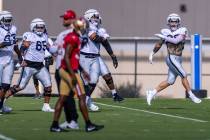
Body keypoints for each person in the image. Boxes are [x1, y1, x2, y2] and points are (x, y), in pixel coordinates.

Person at [50, 18, 104, 132]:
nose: (86, 28)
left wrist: (83, 71)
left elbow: (73, 58)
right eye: (85, 26)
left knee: (63, 98)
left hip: (65, 70)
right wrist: (74, 75)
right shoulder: (74, 37)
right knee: (82, 96)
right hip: (69, 72)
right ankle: (89, 125)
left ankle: (54, 125)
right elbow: (67, 57)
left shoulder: (75, 36)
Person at [146, 13, 202, 105]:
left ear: (178, 22)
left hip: (179, 58)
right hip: (171, 58)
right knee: (184, 74)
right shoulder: (165, 32)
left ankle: (151, 93)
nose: (173, 23)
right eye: (171, 21)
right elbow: (159, 44)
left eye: (175, 21)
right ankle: (191, 95)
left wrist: (164, 37)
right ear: (168, 22)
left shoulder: (183, 30)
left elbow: (176, 41)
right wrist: (152, 53)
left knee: (170, 81)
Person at [5, 18, 55, 112]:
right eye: (38, 27)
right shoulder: (30, 35)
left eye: (42, 27)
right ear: (33, 27)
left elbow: (48, 48)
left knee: (48, 85)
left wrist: (56, 53)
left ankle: (46, 106)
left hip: (40, 66)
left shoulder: (44, 36)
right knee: (20, 86)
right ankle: (2, 101)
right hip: (29, 65)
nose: (40, 29)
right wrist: (22, 60)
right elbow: (23, 48)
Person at [80, 9, 124, 111]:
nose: (96, 19)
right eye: (93, 17)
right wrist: (103, 37)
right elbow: (94, 38)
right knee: (86, 83)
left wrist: (113, 56)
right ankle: (87, 101)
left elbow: (105, 43)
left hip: (95, 56)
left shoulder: (99, 29)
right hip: (84, 57)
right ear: (88, 18)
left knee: (100, 78)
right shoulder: (87, 27)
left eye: (96, 17)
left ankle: (112, 95)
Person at [50, 10, 79, 129]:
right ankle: (69, 120)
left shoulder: (74, 33)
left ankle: (74, 121)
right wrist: (54, 48)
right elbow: (53, 49)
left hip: (68, 68)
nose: (64, 20)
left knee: (68, 95)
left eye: (66, 18)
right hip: (59, 67)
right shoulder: (62, 34)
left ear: (72, 19)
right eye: (64, 18)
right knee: (64, 95)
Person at [0, 11, 22, 113]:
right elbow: (8, 43)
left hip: (9, 59)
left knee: (6, 86)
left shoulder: (13, 28)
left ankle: (1, 106)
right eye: (6, 20)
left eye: (9, 20)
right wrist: (7, 43)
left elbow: (14, 44)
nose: (8, 22)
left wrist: (20, 56)